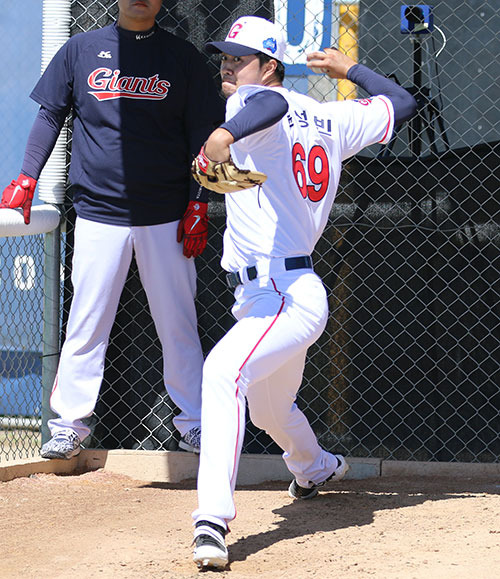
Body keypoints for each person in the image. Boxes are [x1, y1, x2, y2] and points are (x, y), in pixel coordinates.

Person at [189, 15, 417, 570]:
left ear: (270, 67)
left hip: (283, 291)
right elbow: (402, 103)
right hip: (276, 292)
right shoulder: (332, 117)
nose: (227, 63)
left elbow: (270, 106)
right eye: (225, 54)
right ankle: (316, 467)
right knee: (270, 407)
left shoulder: (258, 105)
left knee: (222, 373)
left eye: (240, 58)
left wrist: (223, 133)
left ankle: (211, 522)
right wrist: (352, 70)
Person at [0, 0, 224, 459]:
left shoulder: (183, 58)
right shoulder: (80, 49)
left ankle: (195, 423)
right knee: (86, 323)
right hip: (98, 211)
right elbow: (49, 115)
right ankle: (69, 426)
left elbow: (205, 136)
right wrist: (27, 176)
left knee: (178, 324)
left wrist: (199, 200)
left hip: (166, 214)